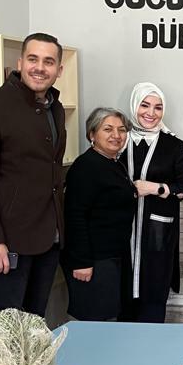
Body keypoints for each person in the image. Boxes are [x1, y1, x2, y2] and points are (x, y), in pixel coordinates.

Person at [0, 32, 67, 317]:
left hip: (47, 241)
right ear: (20, 63)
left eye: (48, 62)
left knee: (34, 328)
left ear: (59, 69)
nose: (39, 68)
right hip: (6, 245)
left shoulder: (55, 108)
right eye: (33, 59)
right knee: (3, 330)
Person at [120, 82, 183, 323]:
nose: (151, 113)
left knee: (153, 299)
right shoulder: (118, 140)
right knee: (121, 300)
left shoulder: (174, 146)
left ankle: (150, 347)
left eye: (158, 107)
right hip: (121, 235)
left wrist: (155, 188)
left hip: (157, 235)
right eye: (144, 105)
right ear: (134, 105)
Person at [61, 108, 138, 321]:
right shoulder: (85, 167)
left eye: (121, 130)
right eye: (108, 129)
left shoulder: (113, 163)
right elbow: (74, 216)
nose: (116, 135)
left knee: (112, 319)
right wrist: (81, 262)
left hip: (112, 257)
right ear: (92, 134)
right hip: (92, 261)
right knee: (96, 323)